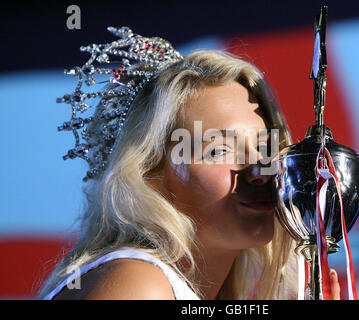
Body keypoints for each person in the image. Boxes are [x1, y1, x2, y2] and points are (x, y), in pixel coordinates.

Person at [37, 27, 340, 300]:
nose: (261, 170)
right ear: (148, 176)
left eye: (266, 147)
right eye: (219, 151)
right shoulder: (138, 285)